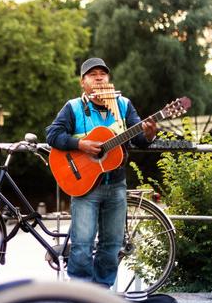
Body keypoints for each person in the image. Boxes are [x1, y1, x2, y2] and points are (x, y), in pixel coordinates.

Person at [45, 57, 157, 288]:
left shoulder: (123, 105)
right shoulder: (73, 107)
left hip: (116, 185)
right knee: (82, 243)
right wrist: (81, 145)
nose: (99, 78)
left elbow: (139, 140)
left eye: (103, 74)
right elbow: (52, 135)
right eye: (92, 74)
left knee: (112, 243)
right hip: (85, 186)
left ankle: (102, 290)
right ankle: (82, 290)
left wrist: (149, 134)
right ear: (83, 82)